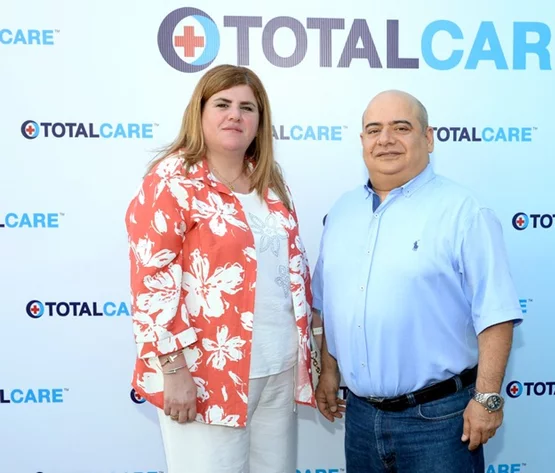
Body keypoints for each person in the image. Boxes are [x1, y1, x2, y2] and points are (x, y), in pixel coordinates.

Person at [312, 90, 524, 472]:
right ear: (362, 141)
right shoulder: (342, 212)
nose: (385, 139)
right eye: (374, 129)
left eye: (401, 127)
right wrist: (329, 372)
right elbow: (330, 304)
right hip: (360, 420)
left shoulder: (463, 211)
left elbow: (496, 314)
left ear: (428, 138)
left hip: (440, 423)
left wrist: (488, 398)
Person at [125, 64, 317, 473]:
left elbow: (291, 271)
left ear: (259, 121)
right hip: (206, 373)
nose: (235, 115)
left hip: (277, 367)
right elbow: (151, 282)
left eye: (247, 107)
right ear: (200, 112)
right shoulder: (172, 180)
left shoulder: (270, 182)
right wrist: (173, 368)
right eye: (223, 104)